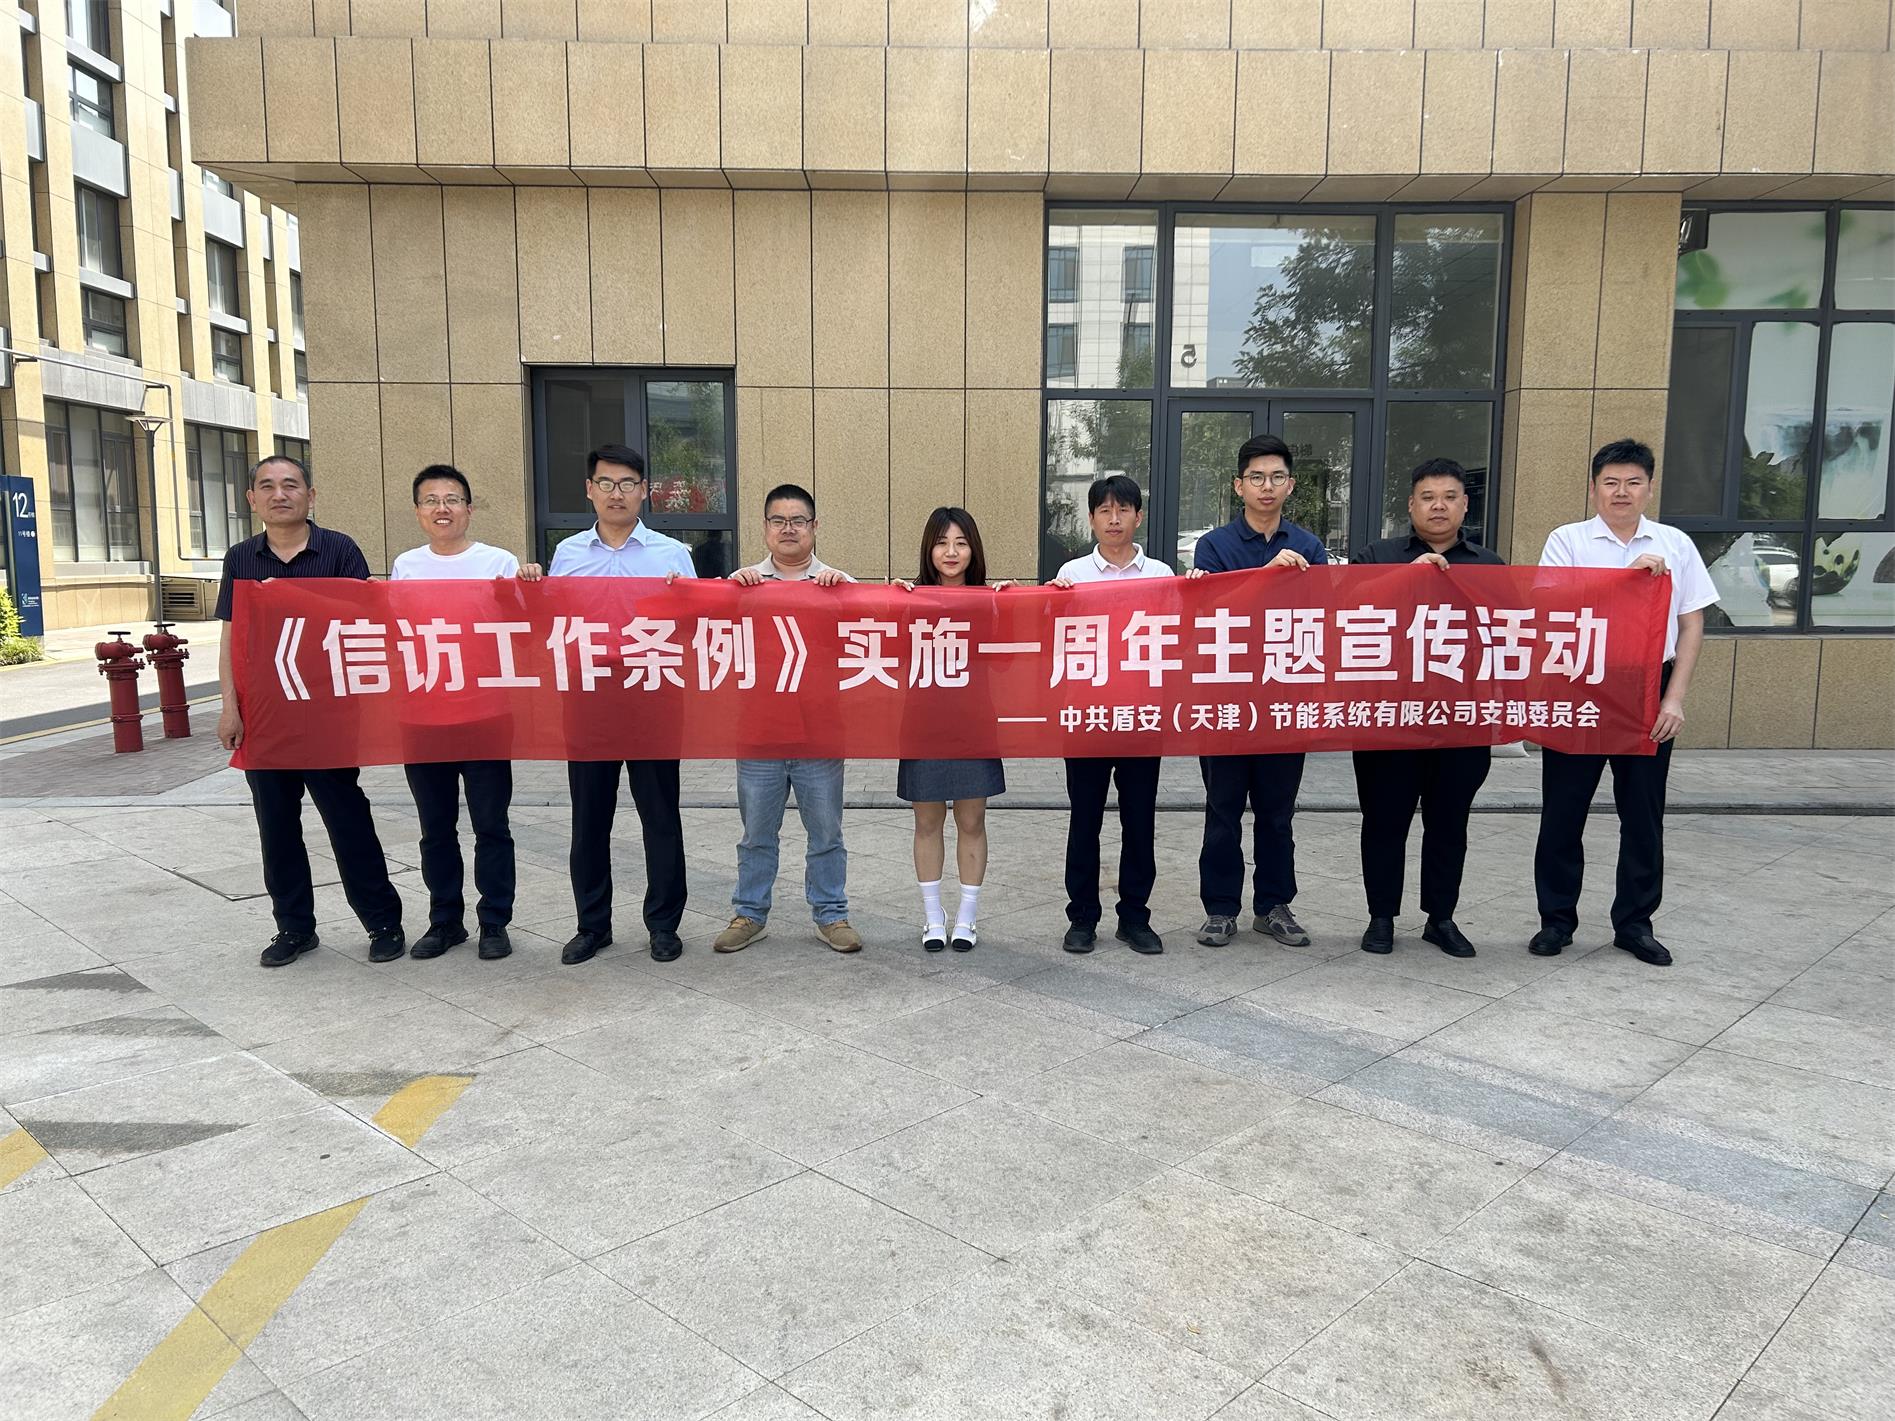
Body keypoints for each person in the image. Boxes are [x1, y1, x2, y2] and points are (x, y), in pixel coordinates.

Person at [1531, 439, 1717, 968]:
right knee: (1563, 813)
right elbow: (1550, 605)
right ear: (1594, 488)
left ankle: (1635, 924)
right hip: (1580, 684)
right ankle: (1556, 920)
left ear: (1649, 488)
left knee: (1642, 816)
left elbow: (1691, 624)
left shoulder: (1675, 544)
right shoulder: (1568, 540)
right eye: (1610, 482)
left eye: (1633, 482)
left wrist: (1673, 698)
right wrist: (1624, 580)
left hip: (1648, 687)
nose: (1621, 492)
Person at [215, 455, 404, 969]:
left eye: (291, 485)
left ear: (311, 495)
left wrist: (294, 598)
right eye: (267, 486)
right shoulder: (241, 558)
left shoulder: (339, 549)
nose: (280, 495)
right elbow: (231, 638)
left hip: (329, 713)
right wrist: (230, 708)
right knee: (276, 827)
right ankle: (294, 928)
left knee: (347, 820)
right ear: (252, 499)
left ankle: (382, 922)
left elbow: (367, 616)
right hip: (265, 716)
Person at [1349, 458, 1504, 959]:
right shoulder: (1378, 556)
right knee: (1384, 821)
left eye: (1449, 497)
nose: (1439, 506)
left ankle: (1441, 918)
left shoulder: (1491, 566)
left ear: (1465, 504)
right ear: (1411, 505)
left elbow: (1509, 637)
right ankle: (1381, 917)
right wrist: (1405, 578)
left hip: (1462, 719)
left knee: (1449, 823)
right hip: (1390, 718)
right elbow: (1343, 608)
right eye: (1428, 497)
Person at [548, 443, 696, 967]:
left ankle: (663, 925)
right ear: (589, 490)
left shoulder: (672, 554)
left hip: (652, 690)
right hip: (589, 695)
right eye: (607, 483)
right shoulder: (567, 555)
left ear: (644, 491)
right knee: (590, 817)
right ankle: (592, 926)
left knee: (660, 816)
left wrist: (682, 600)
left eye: (628, 483)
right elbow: (550, 622)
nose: (617, 493)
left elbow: (696, 626)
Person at [389, 464, 543, 963]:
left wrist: (528, 587)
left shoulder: (498, 561)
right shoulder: (405, 566)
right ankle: (445, 921)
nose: (442, 509)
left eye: (452, 499)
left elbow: (526, 626)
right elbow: (395, 637)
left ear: (469, 509)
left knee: (491, 825)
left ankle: (494, 921)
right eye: (431, 500)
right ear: (418, 511)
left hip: (485, 713)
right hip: (423, 716)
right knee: (436, 829)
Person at [1186, 433, 1328, 950]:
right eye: (1256, 477)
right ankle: (1221, 909)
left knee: (1277, 812)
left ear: (1291, 485)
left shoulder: (1310, 548)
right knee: (1222, 809)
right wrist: (1266, 577)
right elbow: (1211, 615)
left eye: (1276, 477)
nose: (1266, 486)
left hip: (1285, 700)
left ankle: (1273, 906)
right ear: (1238, 486)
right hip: (1224, 699)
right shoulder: (1213, 547)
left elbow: (1323, 616)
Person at [714, 483, 863, 955]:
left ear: (814, 527)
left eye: (798, 520)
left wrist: (847, 596)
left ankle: (832, 914)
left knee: (826, 833)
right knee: (757, 835)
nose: (788, 529)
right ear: (765, 528)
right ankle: (749, 914)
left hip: (820, 734)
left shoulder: (840, 585)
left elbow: (873, 638)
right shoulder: (741, 586)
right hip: (759, 734)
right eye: (778, 520)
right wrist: (726, 595)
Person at [1047, 475, 1174, 956]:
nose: (1114, 519)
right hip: (1087, 716)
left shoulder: (1160, 573)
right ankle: (1082, 917)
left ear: (1139, 516)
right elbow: (1053, 638)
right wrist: (1051, 601)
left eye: (1123, 510)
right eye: (1104, 510)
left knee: (1139, 822)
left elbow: (1179, 634)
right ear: (1092, 518)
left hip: (1141, 716)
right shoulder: (1072, 574)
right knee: (1085, 821)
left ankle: (1135, 918)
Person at [895, 507, 1011, 952]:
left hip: (973, 723)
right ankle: (932, 916)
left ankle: (966, 916)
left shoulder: (990, 600)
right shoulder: (909, 599)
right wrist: (891, 604)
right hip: (922, 723)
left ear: (973, 549)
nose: (951, 552)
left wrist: (1008, 607)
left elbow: (1009, 661)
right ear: (929, 549)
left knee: (972, 820)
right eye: (942, 542)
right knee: (927, 821)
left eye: (961, 543)